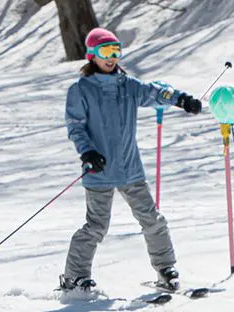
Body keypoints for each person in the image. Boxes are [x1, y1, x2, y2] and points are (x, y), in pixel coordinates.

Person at [60, 27, 202, 294]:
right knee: (96, 226)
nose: (111, 57)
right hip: (99, 170)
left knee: (152, 220)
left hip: (130, 169)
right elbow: (75, 126)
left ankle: (166, 269)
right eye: (105, 51)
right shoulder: (80, 90)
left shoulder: (128, 86)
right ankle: (74, 276)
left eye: (116, 50)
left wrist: (182, 99)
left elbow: (157, 92)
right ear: (91, 55)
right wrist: (87, 152)